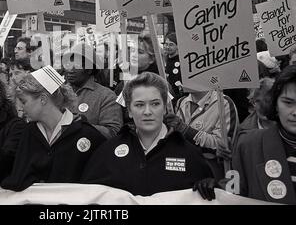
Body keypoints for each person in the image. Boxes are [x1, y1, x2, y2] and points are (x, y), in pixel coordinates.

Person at [81, 72, 214, 199]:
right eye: (139, 105)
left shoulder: (189, 153)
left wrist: (213, 187)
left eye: (155, 104)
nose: (147, 111)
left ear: (165, 107)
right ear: (129, 110)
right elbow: (88, 194)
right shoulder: (108, 152)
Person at [1, 66, 106, 191]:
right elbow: (17, 178)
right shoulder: (28, 132)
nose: (21, 109)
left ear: (43, 99)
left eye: (24, 102)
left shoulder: (87, 135)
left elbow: (98, 185)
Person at [232, 65, 296, 204]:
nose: (295, 112)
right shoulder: (247, 145)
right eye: (288, 102)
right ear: (275, 104)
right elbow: (234, 191)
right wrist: (216, 190)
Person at [168, 88, 239, 180]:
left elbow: (222, 146)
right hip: (183, 170)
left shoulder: (223, 102)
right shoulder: (181, 102)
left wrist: (185, 129)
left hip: (210, 174)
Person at [63, 43, 123, 138]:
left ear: (89, 70)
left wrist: (80, 125)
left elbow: (113, 132)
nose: (70, 70)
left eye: (77, 66)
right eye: (68, 65)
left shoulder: (106, 96)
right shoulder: (59, 92)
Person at [164, 32, 185, 103]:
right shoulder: (163, 59)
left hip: (178, 100)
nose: (167, 47)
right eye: (166, 44)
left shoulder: (182, 61)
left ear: (178, 46)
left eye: (171, 45)